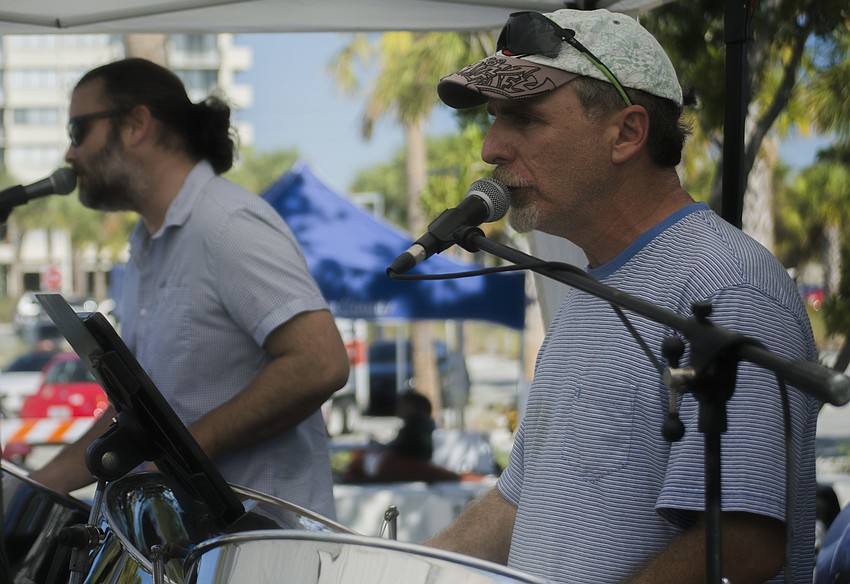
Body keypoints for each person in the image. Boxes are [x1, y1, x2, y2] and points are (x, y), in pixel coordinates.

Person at [425, 8, 818, 584]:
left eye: (526, 121)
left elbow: (743, 542)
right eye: (493, 120)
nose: (491, 148)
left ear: (627, 133)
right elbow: (519, 502)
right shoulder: (591, 288)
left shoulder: (727, 284)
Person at [27, 58, 350, 519]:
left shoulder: (227, 224)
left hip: (262, 554)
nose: (70, 154)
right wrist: (34, 488)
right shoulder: (145, 245)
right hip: (190, 552)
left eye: (78, 132)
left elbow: (320, 363)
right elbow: (147, 418)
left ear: (136, 123)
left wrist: (179, 457)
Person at [343, 390, 461, 484]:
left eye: (403, 404)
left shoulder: (417, 425)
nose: (398, 407)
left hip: (411, 465)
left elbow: (409, 449)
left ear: (413, 406)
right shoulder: (414, 424)